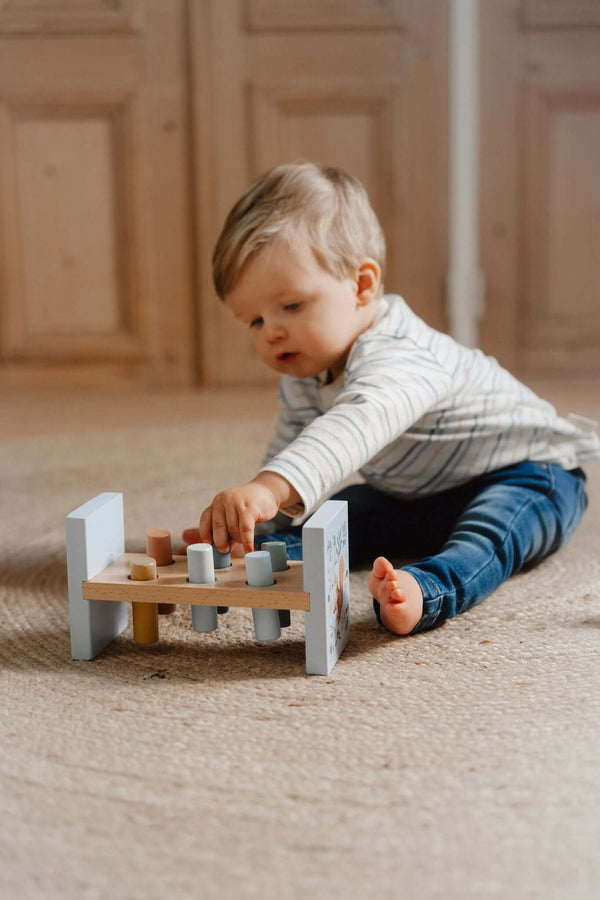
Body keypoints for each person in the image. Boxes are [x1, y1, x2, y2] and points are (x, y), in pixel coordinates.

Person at [190, 161, 599, 636]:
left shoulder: (401, 355)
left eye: (292, 305)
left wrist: (266, 487)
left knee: (491, 533)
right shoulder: (305, 368)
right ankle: (265, 553)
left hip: (532, 476)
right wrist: (253, 519)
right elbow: (295, 452)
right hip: (421, 493)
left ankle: (427, 589)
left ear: (362, 285)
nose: (272, 332)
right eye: (254, 322)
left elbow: (351, 428)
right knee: (348, 512)